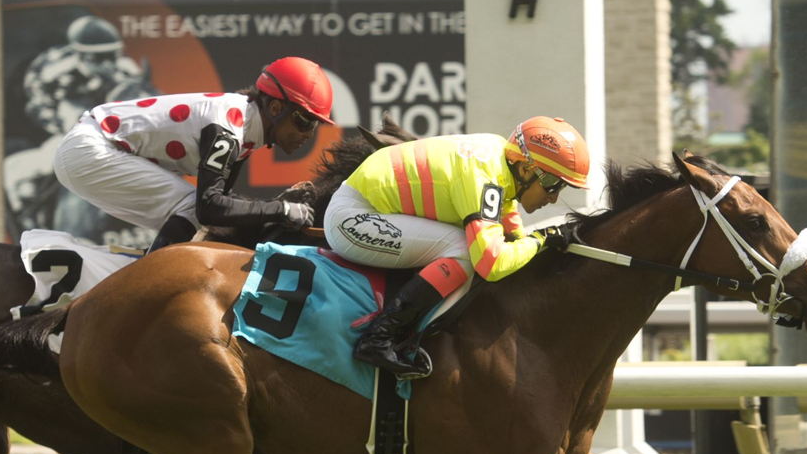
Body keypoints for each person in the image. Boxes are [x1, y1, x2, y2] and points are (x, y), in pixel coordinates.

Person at [323, 116, 590, 377]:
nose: (554, 198)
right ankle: (380, 338)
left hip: (365, 207)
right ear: (526, 169)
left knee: (467, 244)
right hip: (352, 219)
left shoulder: (500, 160)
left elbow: (509, 225)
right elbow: (492, 264)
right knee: (464, 250)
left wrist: (533, 242)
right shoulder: (484, 175)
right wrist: (540, 240)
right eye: (552, 184)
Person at [52, 55, 334, 253]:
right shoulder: (229, 126)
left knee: (193, 213)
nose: (308, 134)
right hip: (90, 148)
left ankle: (152, 275)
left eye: (315, 125)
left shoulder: (245, 129)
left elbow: (221, 208)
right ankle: (150, 289)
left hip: (91, 147)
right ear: (275, 109)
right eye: (304, 121)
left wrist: (274, 208)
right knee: (190, 207)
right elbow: (209, 207)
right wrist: (280, 209)